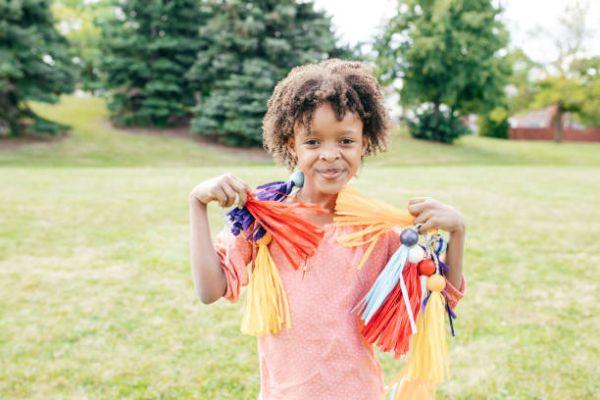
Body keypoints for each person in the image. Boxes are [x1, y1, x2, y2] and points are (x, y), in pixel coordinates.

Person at [189, 59, 467, 400]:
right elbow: (209, 290)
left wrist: (458, 233)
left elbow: (441, 296)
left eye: (346, 141)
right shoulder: (265, 220)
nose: (330, 155)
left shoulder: (375, 232)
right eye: (313, 142)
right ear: (292, 145)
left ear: (365, 144)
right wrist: (197, 205)